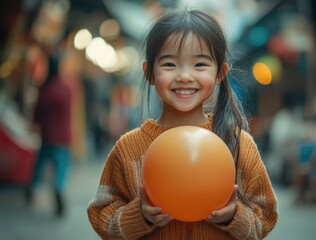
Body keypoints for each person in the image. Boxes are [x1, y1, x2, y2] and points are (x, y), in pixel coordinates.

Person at [87, 8, 278, 239]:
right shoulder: (128, 149)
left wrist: (234, 216)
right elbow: (101, 216)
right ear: (149, 73)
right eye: (169, 64)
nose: (185, 76)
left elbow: (266, 216)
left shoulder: (238, 144)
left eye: (199, 65)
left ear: (220, 73)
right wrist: (140, 215)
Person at [26, 54, 72, 217]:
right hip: (62, 137)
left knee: (39, 164)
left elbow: (37, 114)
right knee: (61, 168)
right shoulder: (66, 89)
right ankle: (58, 188)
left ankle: (31, 187)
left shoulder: (44, 89)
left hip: (47, 136)